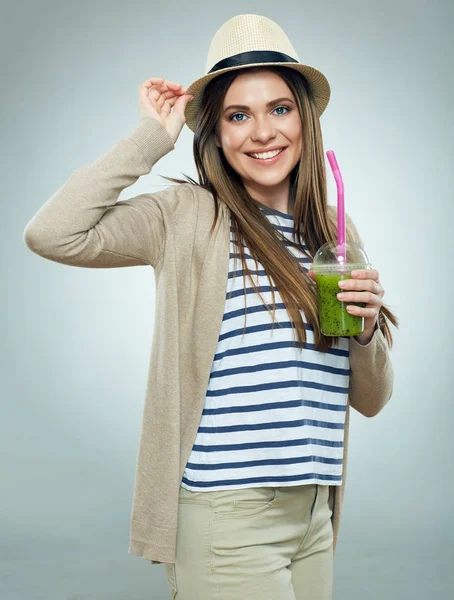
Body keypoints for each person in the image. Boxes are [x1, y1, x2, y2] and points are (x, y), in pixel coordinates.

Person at [23, 13, 398, 600]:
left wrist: (368, 331)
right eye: (238, 115)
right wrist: (149, 139)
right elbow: (53, 233)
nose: (262, 132)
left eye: (279, 109)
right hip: (229, 514)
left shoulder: (334, 234)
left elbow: (371, 400)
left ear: (305, 118)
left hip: (315, 515)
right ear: (216, 133)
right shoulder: (187, 216)